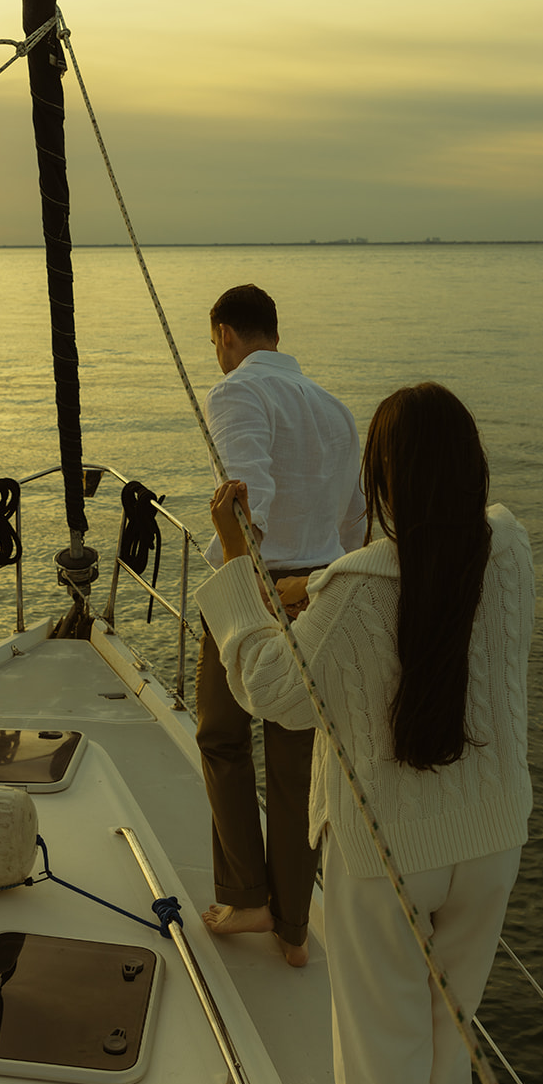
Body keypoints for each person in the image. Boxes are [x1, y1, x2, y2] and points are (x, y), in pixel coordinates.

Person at [195, 382, 533, 1084]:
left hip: (389, 855)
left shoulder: (357, 592)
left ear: (383, 479)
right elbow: (406, 588)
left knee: (381, 1050)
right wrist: (317, 588)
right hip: (490, 841)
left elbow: (276, 692)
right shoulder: (510, 549)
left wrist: (238, 563)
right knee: (443, 1032)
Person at [196, 283, 365, 967]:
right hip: (323, 587)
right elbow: (354, 520)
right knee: (297, 765)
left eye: (214, 344)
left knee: (219, 735)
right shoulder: (334, 407)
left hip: (259, 582)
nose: (216, 356)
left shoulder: (237, 392)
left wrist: (240, 568)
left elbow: (246, 499)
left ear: (226, 334)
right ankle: (294, 928)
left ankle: (246, 897)